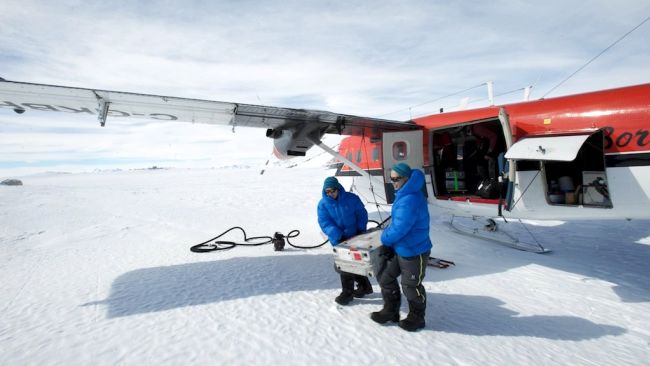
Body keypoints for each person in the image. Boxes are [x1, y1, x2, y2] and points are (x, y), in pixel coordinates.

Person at [371, 163, 432, 331]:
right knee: (386, 278)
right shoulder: (405, 194)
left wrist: (384, 239)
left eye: (396, 179)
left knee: (411, 286)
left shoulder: (410, 199)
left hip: (414, 250)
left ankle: (417, 317)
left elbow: (400, 228)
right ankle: (391, 311)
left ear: (406, 178)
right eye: (391, 179)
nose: (393, 182)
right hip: (401, 248)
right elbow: (397, 224)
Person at [317, 176, 373, 305]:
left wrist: (360, 230)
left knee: (357, 263)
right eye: (327, 192)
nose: (330, 194)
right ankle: (348, 292)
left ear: (338, 189)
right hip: (339, 240)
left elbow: (361, 214)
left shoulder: (352, 198)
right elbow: (324, 222)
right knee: (344, 265)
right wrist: (337, 235)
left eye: (333, 191)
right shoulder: (323, 204)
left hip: (355, 237)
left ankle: (363, 287)